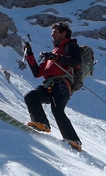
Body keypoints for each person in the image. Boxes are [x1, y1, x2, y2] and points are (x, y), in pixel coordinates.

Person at [23, 22, 82, 151]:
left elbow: (76, 62)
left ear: (63, 33)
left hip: (62, 85)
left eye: (54, 31)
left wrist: (56, 57)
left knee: (57, 109)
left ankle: (74, 141)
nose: (51, 34)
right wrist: (29, 54)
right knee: (31, 97)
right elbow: (37, 73)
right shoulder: (54, 53)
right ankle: (41, 123)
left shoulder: (70, 46)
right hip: (51, 85)